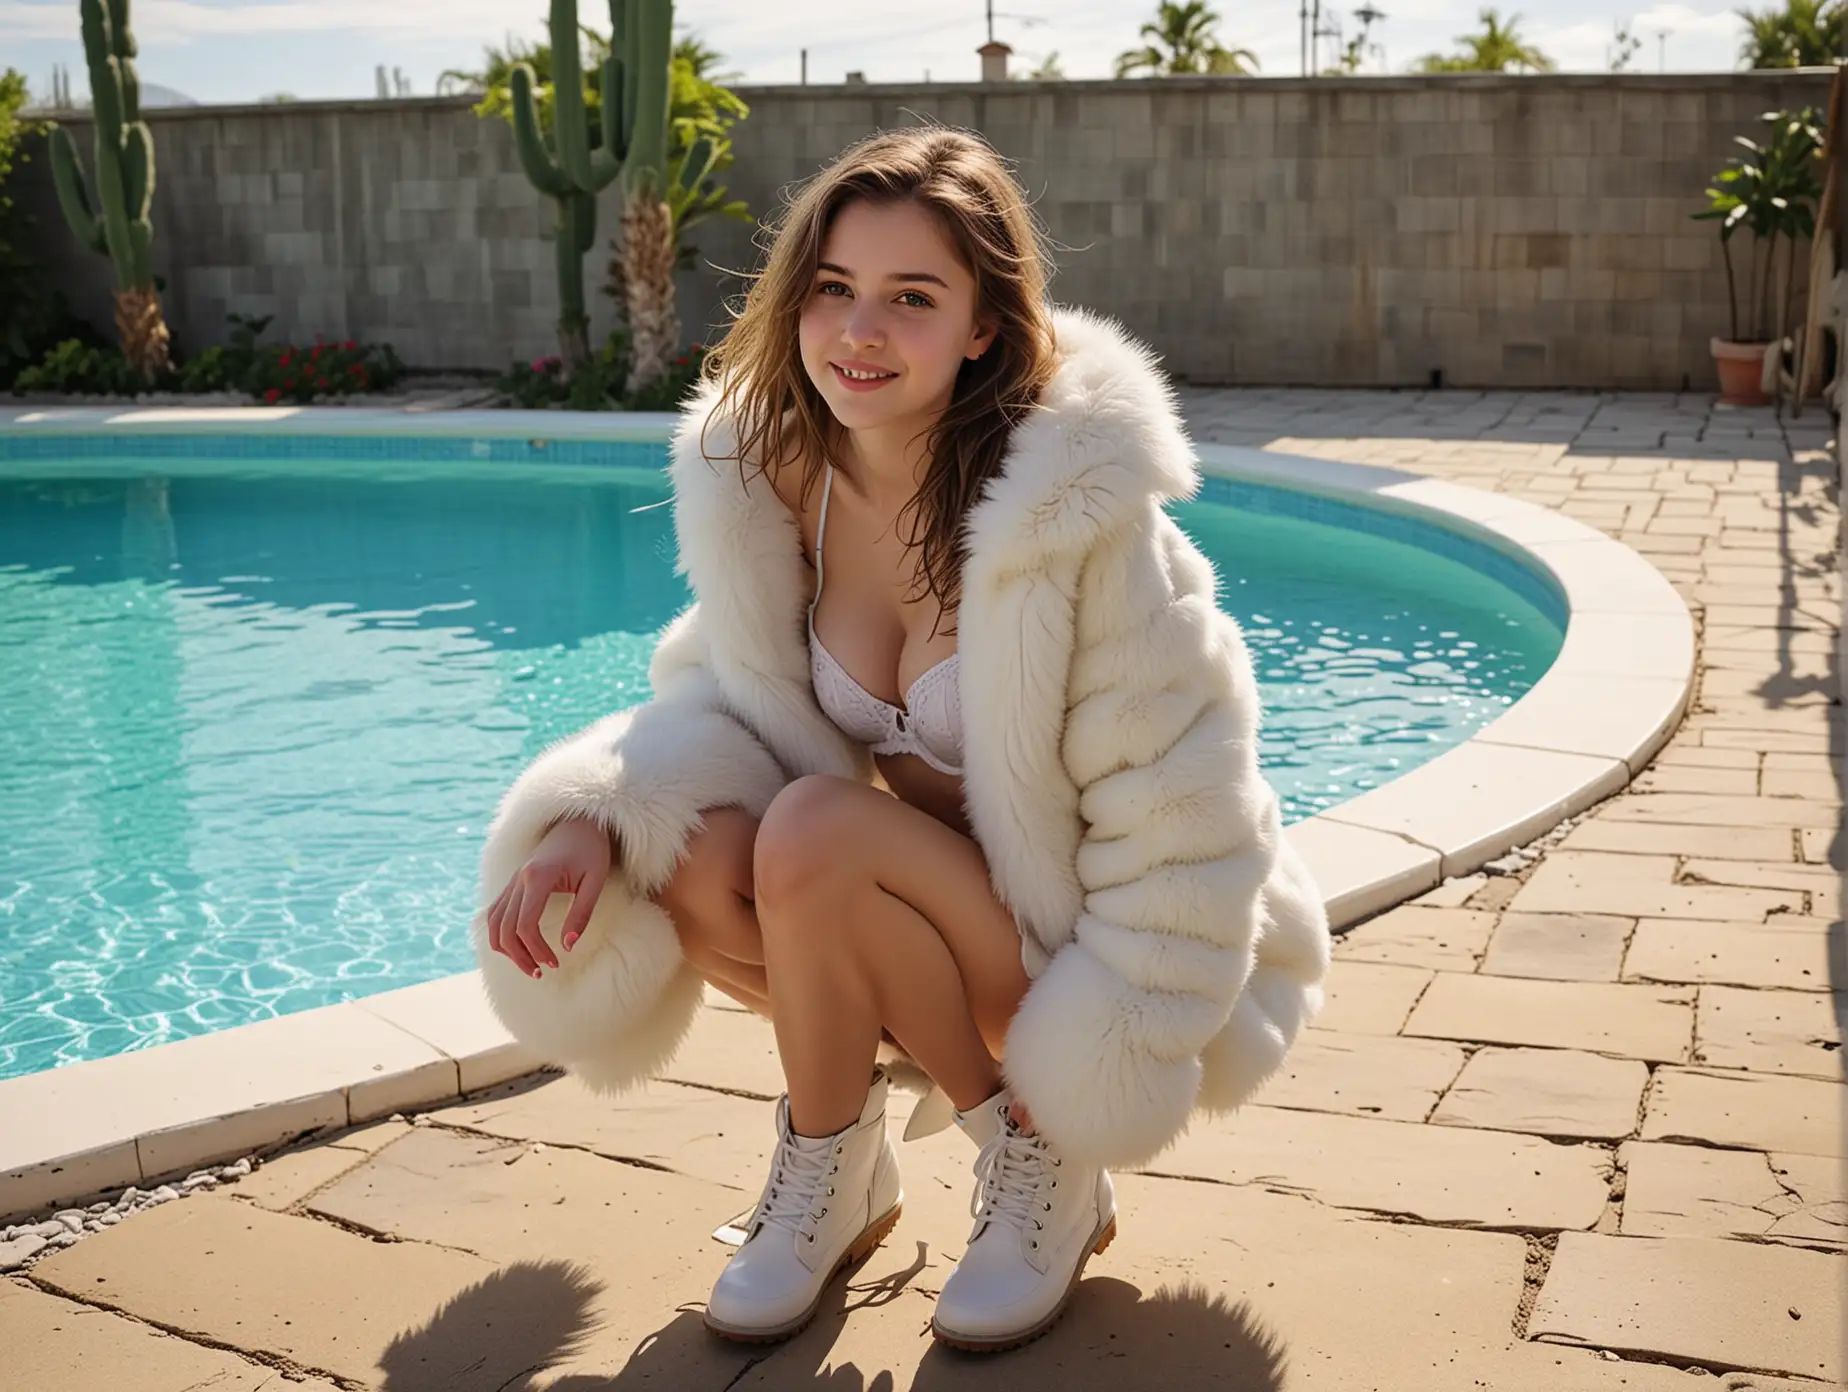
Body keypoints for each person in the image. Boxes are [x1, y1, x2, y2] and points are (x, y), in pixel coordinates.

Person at [474, 126, 1330, 1353]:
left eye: (911, 298)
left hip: (1062, 939)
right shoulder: (776, 479)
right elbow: (724, 690)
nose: (859, 331)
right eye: (834, 290)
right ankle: (835, 1171)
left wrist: (1110, 1040)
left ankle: (1040, 1159)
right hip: (889, 919)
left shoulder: (1076, 520)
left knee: (815, 829)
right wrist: (591, 821)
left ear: (984, 325)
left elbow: (1186, 806)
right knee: (705, 857)